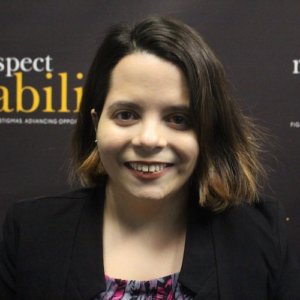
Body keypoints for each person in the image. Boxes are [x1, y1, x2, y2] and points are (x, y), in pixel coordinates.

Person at [0, 16, 299, 300]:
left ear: (209, 130)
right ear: (95, 123)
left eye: (179, 118)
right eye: (126, 115)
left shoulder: (259, 238)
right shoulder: (30, 234)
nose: (149, 139)